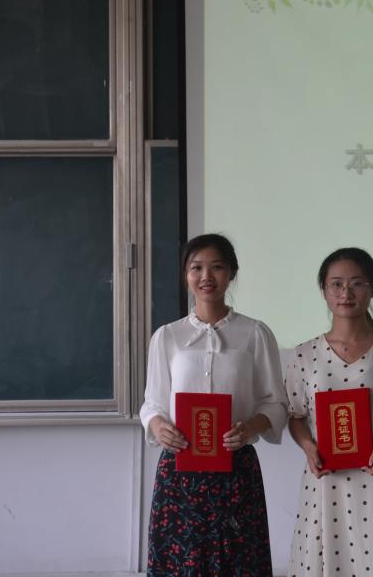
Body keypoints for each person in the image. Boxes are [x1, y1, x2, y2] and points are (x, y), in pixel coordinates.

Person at [140, 233, 287, 576]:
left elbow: (277, 403)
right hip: (180, 472)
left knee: (239, 562)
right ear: (185, 275)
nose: (206, 276)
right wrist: (158, 425)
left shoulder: (255, 333)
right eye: (197, 268)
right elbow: (152, 404)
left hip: (236, 471)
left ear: (231, 273)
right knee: (183, 564)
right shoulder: (167, 336)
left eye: (217, 267)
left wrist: (251, 426)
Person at [286, 247, 373, 576]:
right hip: (322, 482)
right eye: (336, 284)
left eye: (356, 283)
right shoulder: (304, 355)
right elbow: (295, 416)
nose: (346, 293)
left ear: (372, 288)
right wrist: (307, 446)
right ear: (324, 290)